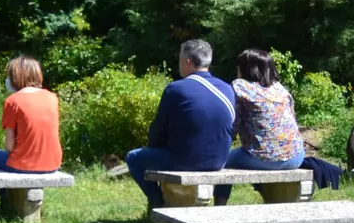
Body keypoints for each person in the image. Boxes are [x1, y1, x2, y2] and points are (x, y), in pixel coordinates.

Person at [123, 39, 235, 213]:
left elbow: (158, 128)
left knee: (133, 157)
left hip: (185, 161)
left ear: (188, 62)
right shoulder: (228, 89)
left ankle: (158, 203)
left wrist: (155, 147)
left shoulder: (176, 89)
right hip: (219, 160)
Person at [220, 48, 305, 205]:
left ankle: (218, 207)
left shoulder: (240, 86)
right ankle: (269, 199)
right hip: (296, 156)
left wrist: (221, 148)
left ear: (245, 68)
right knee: (257, 153)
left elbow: (233, 124)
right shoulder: (280, 89)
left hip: (263, 157)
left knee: (221, 161)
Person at [0, 55, 61, 173]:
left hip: (23, 165)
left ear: (16, 78)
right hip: (52, 165)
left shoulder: (13, 101)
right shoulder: (52, 97)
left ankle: (6, 192)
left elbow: (10, 146)